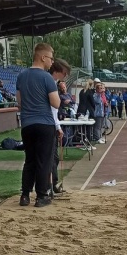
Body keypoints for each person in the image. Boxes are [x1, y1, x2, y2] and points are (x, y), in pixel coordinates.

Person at [15, 42, 61, 208]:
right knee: (44, 160)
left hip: (27, 124)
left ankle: (25, 195)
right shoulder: (47, 77)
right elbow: (56, 104)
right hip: (44, 124)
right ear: (42, 58)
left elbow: (19, 102)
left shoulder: (21, 75)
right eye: (50, 58)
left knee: (30, 160)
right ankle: (42, 196)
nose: (52, 61)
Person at [47, 59, 71, 197]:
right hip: (48, 124)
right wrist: (57, 125)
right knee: (49, 158)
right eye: (65, 73)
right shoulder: (50, 83)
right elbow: (53, 107)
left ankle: (53, 184)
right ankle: (47, 187)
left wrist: (58, 126)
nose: (65, 77)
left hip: (53, 124)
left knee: (54, 158)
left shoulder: (54, 84)